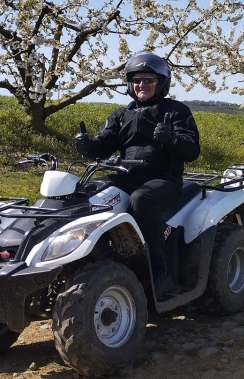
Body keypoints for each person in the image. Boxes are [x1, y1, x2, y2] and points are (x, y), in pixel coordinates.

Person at [74, 52, 200, 295]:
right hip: (127, 176)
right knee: (89, 191)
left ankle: (159, 276)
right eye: (137, 80)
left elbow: (191, 150)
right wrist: (87, 146)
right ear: (130, 84)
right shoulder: (121, 115)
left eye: (149, 80)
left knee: (141, 199)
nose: (142, 85)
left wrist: (171, 138)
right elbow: (103, 144)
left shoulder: (176, 111)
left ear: (161, 82)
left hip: (164, 180)